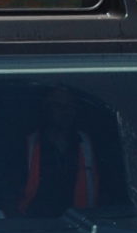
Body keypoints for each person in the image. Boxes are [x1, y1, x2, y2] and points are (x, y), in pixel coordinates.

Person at [16, 86, 99, 217]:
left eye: (71, 106)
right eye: (58, 106)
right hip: (36, 225)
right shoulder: (27, 145)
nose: (66, 112)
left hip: (81, 225)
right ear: (46, 109)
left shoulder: (87, 144)